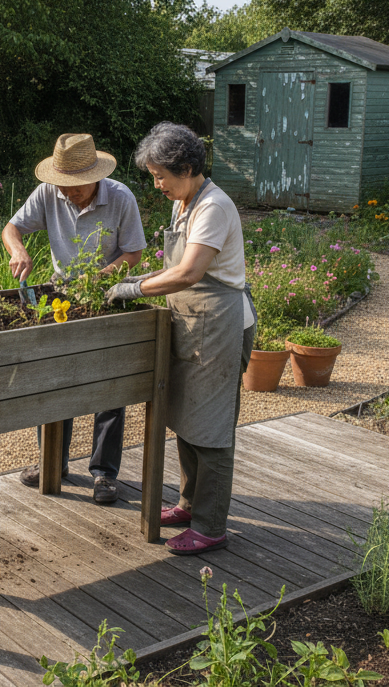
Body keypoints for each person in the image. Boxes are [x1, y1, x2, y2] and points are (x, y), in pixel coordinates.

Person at [105, 122, 257, 554]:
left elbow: (190, 273)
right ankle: (189, 505)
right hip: (193, 323)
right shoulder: (184, 202)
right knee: (189, 420)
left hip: (221, 326)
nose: (157, 185)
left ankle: (210, 527)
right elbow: (176, 268)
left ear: (186, 168)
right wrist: (137, 278)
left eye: (160, 176)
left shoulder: (214, 207)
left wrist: (134, 289)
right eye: (153, 176)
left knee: (212, 429)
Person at [2, 132, 147, 504]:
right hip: (61, 298)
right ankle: (53, 461)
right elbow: (11, 228)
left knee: (108, 388)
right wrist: (18, 250)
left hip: (107, 297)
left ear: (95, 176)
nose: (68, 193)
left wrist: (100, 278)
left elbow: (134, 253)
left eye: (75, 186)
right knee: (54, 380)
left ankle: (104, 474)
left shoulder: (121, 198)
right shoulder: (49, 193)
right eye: (62, 185)